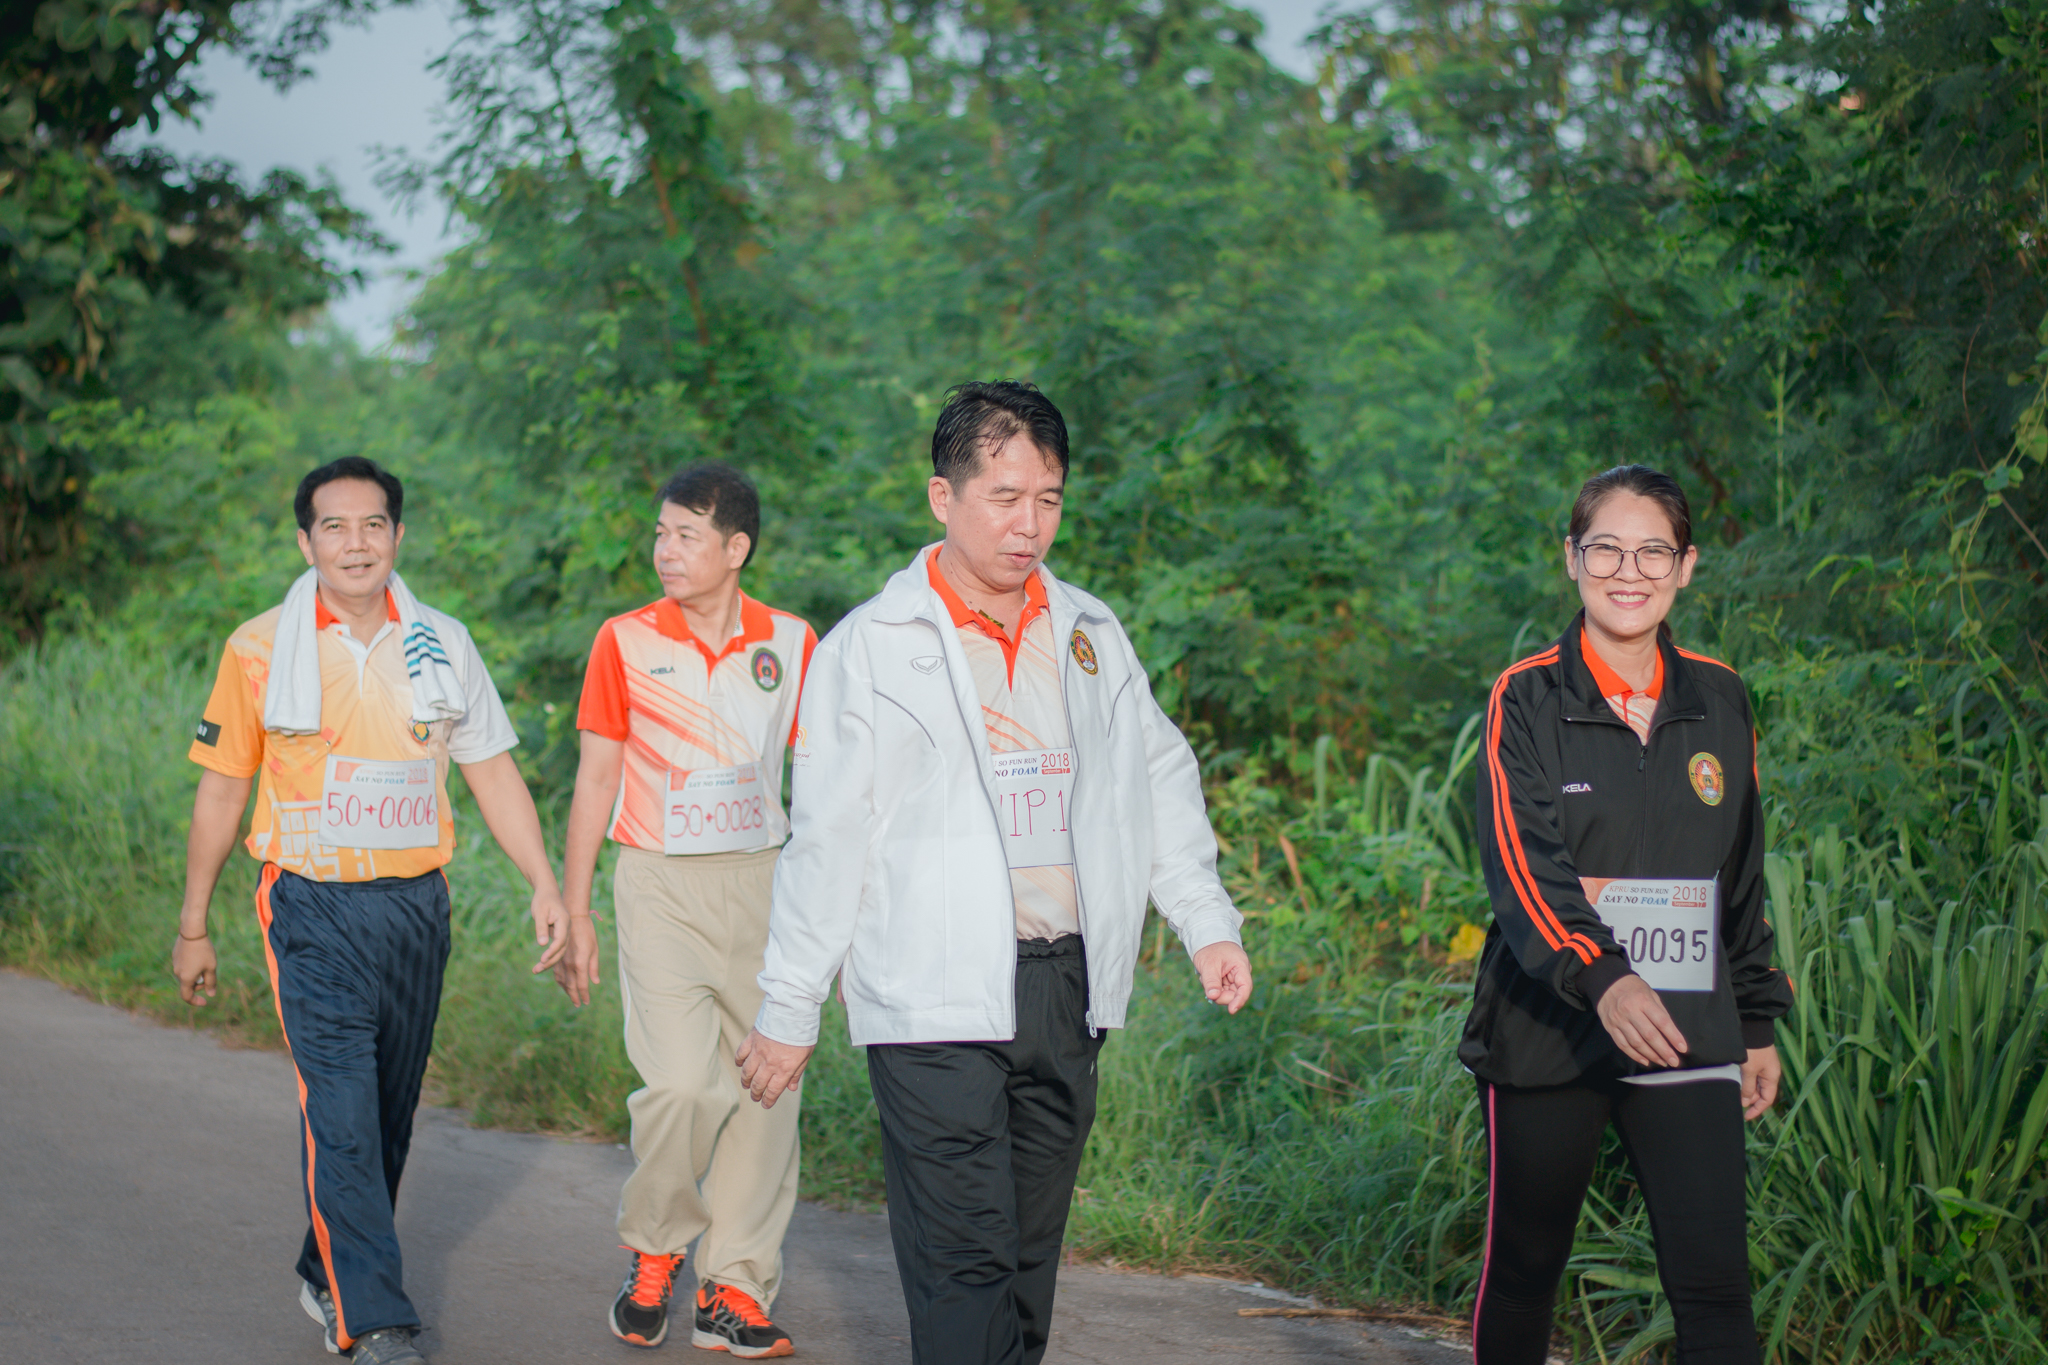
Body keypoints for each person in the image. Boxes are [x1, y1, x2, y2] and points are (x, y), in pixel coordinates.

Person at [735, 380, 1255, 1365]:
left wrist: (1205, 918)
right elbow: (829, 837)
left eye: (1048, 499)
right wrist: (789, 1003)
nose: (1030, 525)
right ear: (944, 496)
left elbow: (1156, 775)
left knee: (1022, 1262)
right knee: (965, 1259)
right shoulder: (871, 649)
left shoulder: (1090, 632)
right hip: (929, 992)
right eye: (1005, 497)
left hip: (1062, 984)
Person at [172, 457, 572, 1365]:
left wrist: (543, 882)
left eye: (373, 524)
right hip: (308, 903)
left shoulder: (444, 643)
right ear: (304, 541)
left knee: (386, 1112)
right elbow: (223, 789)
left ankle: (328, 1266)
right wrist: (194, 923)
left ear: (397, 535)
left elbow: (491, 769)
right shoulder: (258, 648)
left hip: (415, 905)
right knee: (342, 1110)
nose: (356, 543)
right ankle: (376, 1321)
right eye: (335, 526)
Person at [1461, 464, 1796, 1364]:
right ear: (1572, 558)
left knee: (1716, 1287)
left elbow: (1739, 872)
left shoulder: (1720, 697)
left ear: (1685, 566)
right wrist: (1603, 975)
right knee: (1526, 1269)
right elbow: (1525, 867)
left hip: (1685, 1024)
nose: (1629, 571)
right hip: (1550, 1025)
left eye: (1654, 551)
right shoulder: (1525, 696)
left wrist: (1755, 1017)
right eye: (1606, 548)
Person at [557, 462, 815, 1357]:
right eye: (661, 533)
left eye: (686, 535)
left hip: (765, 882)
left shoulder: (792, 642)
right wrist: (577, 908)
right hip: (660, 880)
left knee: (766, 1088)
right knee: (680, 1085)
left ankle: (734, 1286)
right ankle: (657, 1242)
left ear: (736, 548)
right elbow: (596, 778)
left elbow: (822, 783)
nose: (665, 550)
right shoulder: (624, 640)